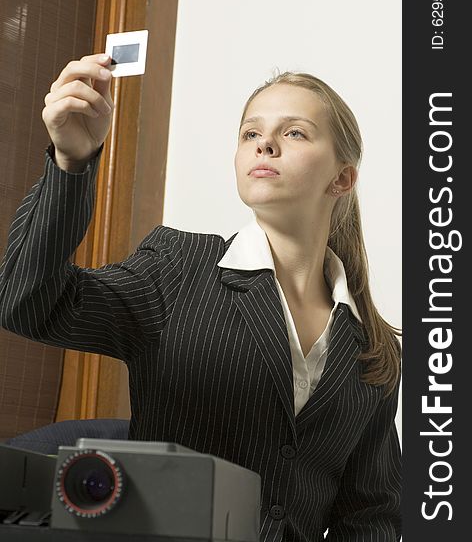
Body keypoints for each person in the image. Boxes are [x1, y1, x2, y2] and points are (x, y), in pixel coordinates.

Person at [0, 54, 402, 541]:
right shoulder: (178, 267)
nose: (265, 145)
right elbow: (27, 303)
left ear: (341, 178)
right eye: (251, 134)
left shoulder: (374, 349)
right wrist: (72, 162)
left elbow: (370, 516)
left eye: (294, 133)